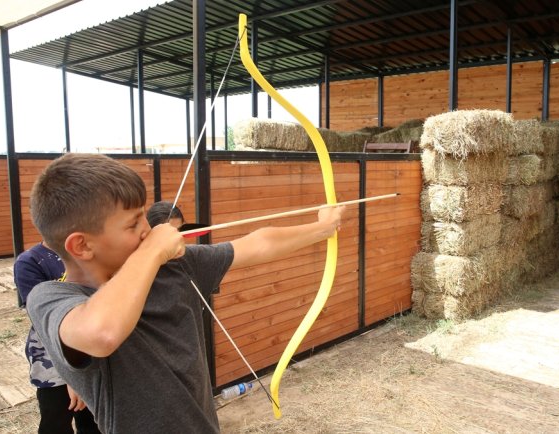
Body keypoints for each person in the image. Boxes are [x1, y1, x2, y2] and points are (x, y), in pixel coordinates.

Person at [25, 153, 344, 433]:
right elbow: (102, 333)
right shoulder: (52, 298)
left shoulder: (171, 267)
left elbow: (255, 244)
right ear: (82, 245)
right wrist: (151, 252)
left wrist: (323, 228)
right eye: (133, 223)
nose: (147, 230)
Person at [15, 242, 100, 434]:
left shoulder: (91, 252)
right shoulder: (30, 261)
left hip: (91, 354)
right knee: (56, 418)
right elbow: (44, 321)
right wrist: (74, 374)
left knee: (93, 421)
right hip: (51, 359)